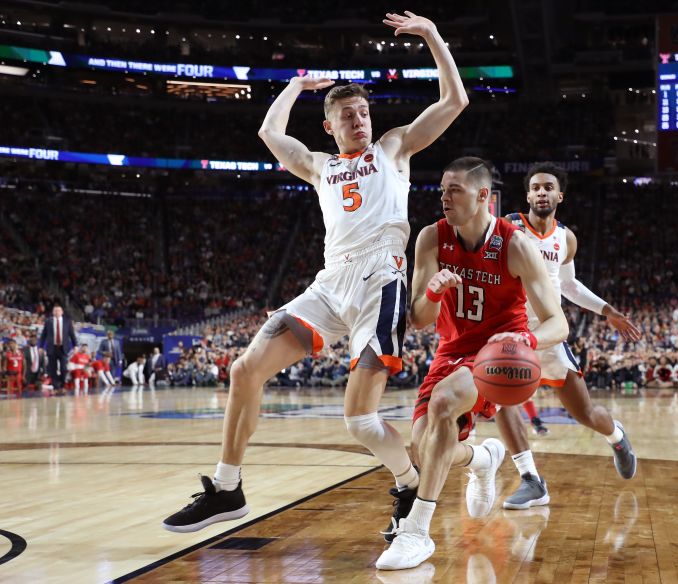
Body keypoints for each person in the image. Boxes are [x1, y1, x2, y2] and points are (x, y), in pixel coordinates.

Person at [162, 11, 468, 534]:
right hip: (330, 284)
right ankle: (229, 487)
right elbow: (268, 130)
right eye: (347, 114)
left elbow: (453, 102)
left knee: (360, 421)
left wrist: (432, 36)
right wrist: (296, 85)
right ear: (329, 125)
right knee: (244, 370)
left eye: (363, 111)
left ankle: (409, 483)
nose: (359, 120)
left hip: (380, 279)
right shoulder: (319, 164)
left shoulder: (394, 147)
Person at [375, 157, 569, 571]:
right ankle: (482, 460)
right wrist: (432, 291)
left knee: (445, 403)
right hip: (450, 350)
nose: (444, 197)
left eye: (454, 190)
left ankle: (417, 532)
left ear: (484, 196)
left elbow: (559, 323)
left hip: (497, 355)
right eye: (442, 190)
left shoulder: (516, 244)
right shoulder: (431, 237)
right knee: (423, 448)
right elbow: (421, 318)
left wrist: (525, 339)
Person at [497, 163, 638, 510]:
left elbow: (570, 286)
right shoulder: (507, 227)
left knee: (586, 413)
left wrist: (608, 311)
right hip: (511, 333)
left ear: (560, 195)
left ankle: (616, 437)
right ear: (527, 195)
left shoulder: (566, 238)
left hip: (549, 333)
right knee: (501, 400)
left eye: (548, 187)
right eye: (535, 187)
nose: (541, 192)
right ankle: (531, 479)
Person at [38, 305, 78, 393]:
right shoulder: (48, 321)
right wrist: (41, 346)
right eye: (55, 311)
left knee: (64, 368)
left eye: (58, 311)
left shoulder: (67, 321)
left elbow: (72, 334)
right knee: (52, 369)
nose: (57, 312)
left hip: (63, 348)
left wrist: (75, 345)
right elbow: (43, 335)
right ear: (53, 312)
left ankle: (62, 385)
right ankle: (56, 388)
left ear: (62, 312)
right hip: (52, 348)